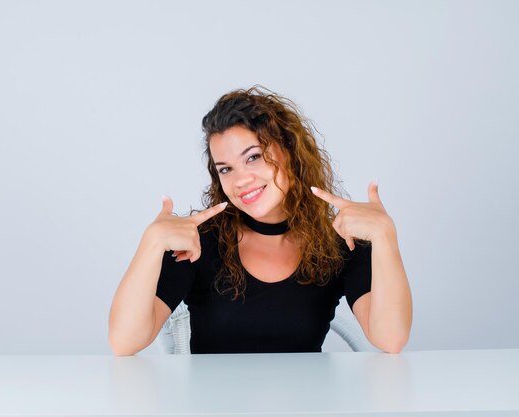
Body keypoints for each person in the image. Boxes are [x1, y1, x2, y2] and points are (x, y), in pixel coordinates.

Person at [109, 86, 412, 355]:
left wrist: (385, 236)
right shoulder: (199, 242)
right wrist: (151, 243)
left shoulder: (337, 243)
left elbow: (391, 339)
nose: (241, 180)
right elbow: (124, 342)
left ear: (290, 152)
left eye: (252, 157)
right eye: (226, 169)